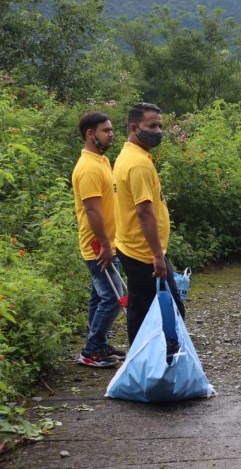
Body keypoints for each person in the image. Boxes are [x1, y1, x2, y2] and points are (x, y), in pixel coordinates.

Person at [114, 102, 185, 345]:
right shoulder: (139, 164)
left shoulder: (128, 156)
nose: (158, 131)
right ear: (134, 128)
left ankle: (139, 360)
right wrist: (157, 255)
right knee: (170, 311)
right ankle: (161, 362)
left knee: (140, 308)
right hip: (144, 252)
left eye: (159, 126)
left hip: (131, 246)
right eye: (151, 126)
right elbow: (144, 212)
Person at [72, 112, 126, 368]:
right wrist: (105, 245)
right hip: (98, 246)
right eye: (106, 130)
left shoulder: (101, 161)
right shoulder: (88, 168)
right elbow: (92, 210)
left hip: (107, 244)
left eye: (111, 129)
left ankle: (99, 344)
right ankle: (91, 350)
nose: (111, 134)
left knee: (99, 297)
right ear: (89, 134)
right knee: (115, 297)